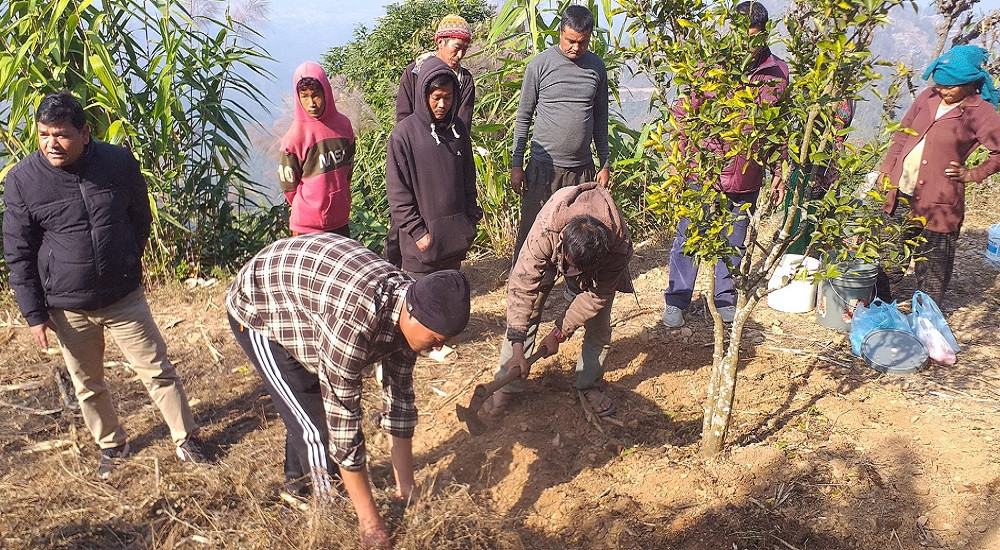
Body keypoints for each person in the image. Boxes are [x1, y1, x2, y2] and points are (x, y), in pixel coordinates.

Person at [2, 92, 207, 479]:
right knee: (87, 383)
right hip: (67, 306)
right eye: (43, 134)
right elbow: (18, 252)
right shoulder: (24, 180)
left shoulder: (117, 162)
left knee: (158, 370)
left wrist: (128, 258)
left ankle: (187, 438)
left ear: (84, 133)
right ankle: (112, 444)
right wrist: (33, 313)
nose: (51, 143)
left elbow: (140, 216)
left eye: (60, 134)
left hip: (123, 297)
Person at [226, 233, 471, 549]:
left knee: (308, 404)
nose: (439, 347)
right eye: (436, 338)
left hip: (308, 301)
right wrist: (370, 523)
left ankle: (296, 487)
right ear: (412, 312)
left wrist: (407, 489)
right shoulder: (355, 321)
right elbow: (343, 419)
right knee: (315, 428)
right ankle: (331, 512)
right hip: (259, 305)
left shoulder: (413, 311)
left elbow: (399, 400)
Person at [661, 1, 789, 328]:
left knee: (735, 239)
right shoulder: (712, 66)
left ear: (763, 36)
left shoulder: (778, 73)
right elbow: (683, 113)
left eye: (753, 40)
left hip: (747, 173)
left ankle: (725, 298)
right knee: (689, 234)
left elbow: (781, 129)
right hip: (704, 170)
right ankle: (677, 299)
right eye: (740, 38)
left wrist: (780, 172)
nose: (746, 47)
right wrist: (679, 162)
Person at [489, 182, 633, 417]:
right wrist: (518, 347)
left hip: (597, 270)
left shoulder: (618, 245)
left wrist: (559, 332)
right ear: (564, 239)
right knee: (530, 308)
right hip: (552, 246)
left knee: (599, 324)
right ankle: (508, 380)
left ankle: (589, 383)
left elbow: (597, 297)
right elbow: (523, 285)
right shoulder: (548, 228)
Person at [876, 45, 1000, 307]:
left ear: (969, 84)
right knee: (890, 259)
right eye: (940, 84)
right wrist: (887, 170)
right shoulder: (927, 98)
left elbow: (998, 152)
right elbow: (902, 135)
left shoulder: (981, 112)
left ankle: (926, 317)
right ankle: (881, 308)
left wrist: (972, 174)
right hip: (900, 191)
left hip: (939, 200)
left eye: (950, 87)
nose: (943, 91)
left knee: (932, 265)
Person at [510, 4, 610, 263]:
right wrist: (517, 165)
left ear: (589, 37)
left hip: (582, 170)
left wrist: (605, 163)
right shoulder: (539, 66)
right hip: (543, 170)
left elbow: (600, 119)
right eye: (570, 41)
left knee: (581, 235)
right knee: (532, 233)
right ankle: (520, 287)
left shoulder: (597, 68)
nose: (576, 47)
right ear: (559, 33)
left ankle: (575, 285)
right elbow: (523, 117)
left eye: (582, 42)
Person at [386, 56, 481, 278]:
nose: (442, 104)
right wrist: (420, 234)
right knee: (420, 309)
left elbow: (468, 177)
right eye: (436, 97)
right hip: (419, 253)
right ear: (423, 95)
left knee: (449, 305)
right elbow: (398, 195)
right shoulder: (403, 136)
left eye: (448, 98)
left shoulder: (457, 130)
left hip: (453, 246)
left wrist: (470, 220)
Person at [278, 61, 355, 237]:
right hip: (306, 226)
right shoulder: (294, 138)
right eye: (304, 96)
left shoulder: (343, 126)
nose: (311, 103)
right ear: (298, 98)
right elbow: (289, 186)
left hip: (340, 220)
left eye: (316, 95)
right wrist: (311, 208)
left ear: (326, 93)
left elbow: (348, 170)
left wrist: (339, 198)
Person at [395, 13, 476, 130]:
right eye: (457, 48)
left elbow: (463, 124)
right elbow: (403, 118)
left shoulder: (465, 80)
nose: (460, 55)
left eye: (464, 50)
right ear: (440, 42)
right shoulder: (414, 72)